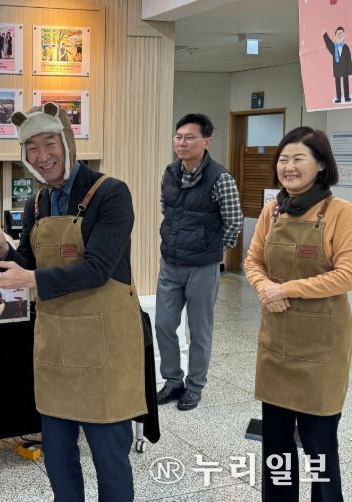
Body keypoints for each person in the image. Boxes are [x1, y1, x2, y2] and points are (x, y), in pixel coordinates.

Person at [0, 103, 147, 501]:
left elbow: (98, 268)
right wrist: (3, 248)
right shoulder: (37, 203)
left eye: (49, 143)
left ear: (68, 143)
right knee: (58, 459)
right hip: (55, 348)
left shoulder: (111, 193)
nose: (42, 156)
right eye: (32, 148)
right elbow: (29, 262)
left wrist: (31, 279)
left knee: (110, 460)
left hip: (104, 349)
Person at [244, 127, 352, 501]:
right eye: (283, 159)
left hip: (321, 351)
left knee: (319, 445)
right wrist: (263, 287)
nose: (288, 167)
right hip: (277, 346)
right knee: (276, 445)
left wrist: (285, 289)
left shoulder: (340, 213)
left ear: (321, 164)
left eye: (298, 159)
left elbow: (346, 274)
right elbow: (253, 260)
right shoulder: (273, 211)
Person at [155, 113, 243, 411]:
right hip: (170, 262)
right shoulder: (169, 173)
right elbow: (166, 209)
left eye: (189, 137)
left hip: (203, 267)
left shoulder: (221, 178)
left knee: (199, 330)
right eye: (178, 137)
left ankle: (194, 386)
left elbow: (234, 221)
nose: (182, 143)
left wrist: (212, 250)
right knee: (164, 324)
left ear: (206, 141)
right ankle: (172, 381)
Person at [323, 27, 352, 103]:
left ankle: (346, 97)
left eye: (341, 33)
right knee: (337, 84)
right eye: (338, 33)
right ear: (335, 36)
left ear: (344, 35)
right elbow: (329, 44)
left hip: (345, 68)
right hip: (337, 68)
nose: (339, 35)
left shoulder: (346, 47)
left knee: (346, 83)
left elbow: (349, 59)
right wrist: (325, 35)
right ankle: (338, 98)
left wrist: (350, 71)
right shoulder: (334, 47)